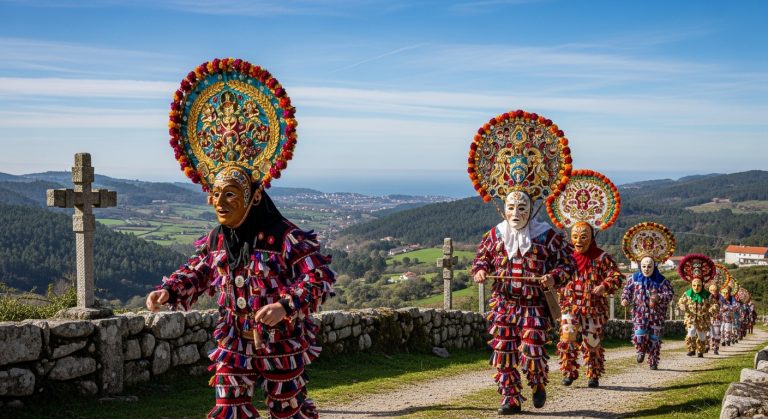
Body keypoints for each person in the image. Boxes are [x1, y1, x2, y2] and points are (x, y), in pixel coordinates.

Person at [145, 58, 335, 419]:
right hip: (233, 339)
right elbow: (199, 271)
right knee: (228, 408)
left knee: (286, 411)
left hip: (281, 342)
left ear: (255, 197)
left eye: (230, 194)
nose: (220, 202)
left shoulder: (285, 238)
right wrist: (169, 290)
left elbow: (318, 278)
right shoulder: (218, 240)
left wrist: (285, 307)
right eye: (215, 194)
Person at [469, 109, 576, 414]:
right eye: (511, 207)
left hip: (533, 304)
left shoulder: (546, 236)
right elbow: (482, 259)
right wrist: (479, 270)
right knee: (503, 353)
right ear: (503, 210)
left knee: (531, 351)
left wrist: (553, 277)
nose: (516, 212)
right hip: (503, 303)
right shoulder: (495, 235)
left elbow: (567, 265)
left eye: (522, 207)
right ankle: (510, 399)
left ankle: (538, 381)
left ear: (532, 210)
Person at [545, 169, 623, 388]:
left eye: (584, 237)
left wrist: (604, 286)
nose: (579, 240)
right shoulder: (564, 256)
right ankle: (568, 372)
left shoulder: (601, 257)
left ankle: (593, 373)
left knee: (592, 340)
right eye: (575, 236)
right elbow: (554, 271)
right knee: (567, 337)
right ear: (571, 237)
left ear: (592, 237)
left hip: (593, 307)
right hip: (569, 304)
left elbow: (616, 276)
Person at [620, 222, 675, 370]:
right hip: (639, 312)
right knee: (639, 333)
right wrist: (625, 298)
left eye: (649, 266)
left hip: (656, 315)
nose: (646, 269)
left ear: (654, 266)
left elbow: (670, 295)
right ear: (639, 265)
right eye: (643, 266)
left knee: (654, 339)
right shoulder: (634, 278)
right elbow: (627, 290)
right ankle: (640, 350)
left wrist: (659, 298)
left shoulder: (661, 280)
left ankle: (653, 361)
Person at [676, 254, 718, 358]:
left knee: (702, 336)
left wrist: (711, 310)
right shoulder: (687, 294)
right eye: (694, 285)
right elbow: (681, 302)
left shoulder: (708, 295)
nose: (696, 287)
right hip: (690, 317)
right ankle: (691, 349)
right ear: (691, 284)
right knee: (691, 332)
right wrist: (681, 305)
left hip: (703, 319)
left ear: (702, 285)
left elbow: (715, 305)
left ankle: (700, 350)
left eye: (699, 285)